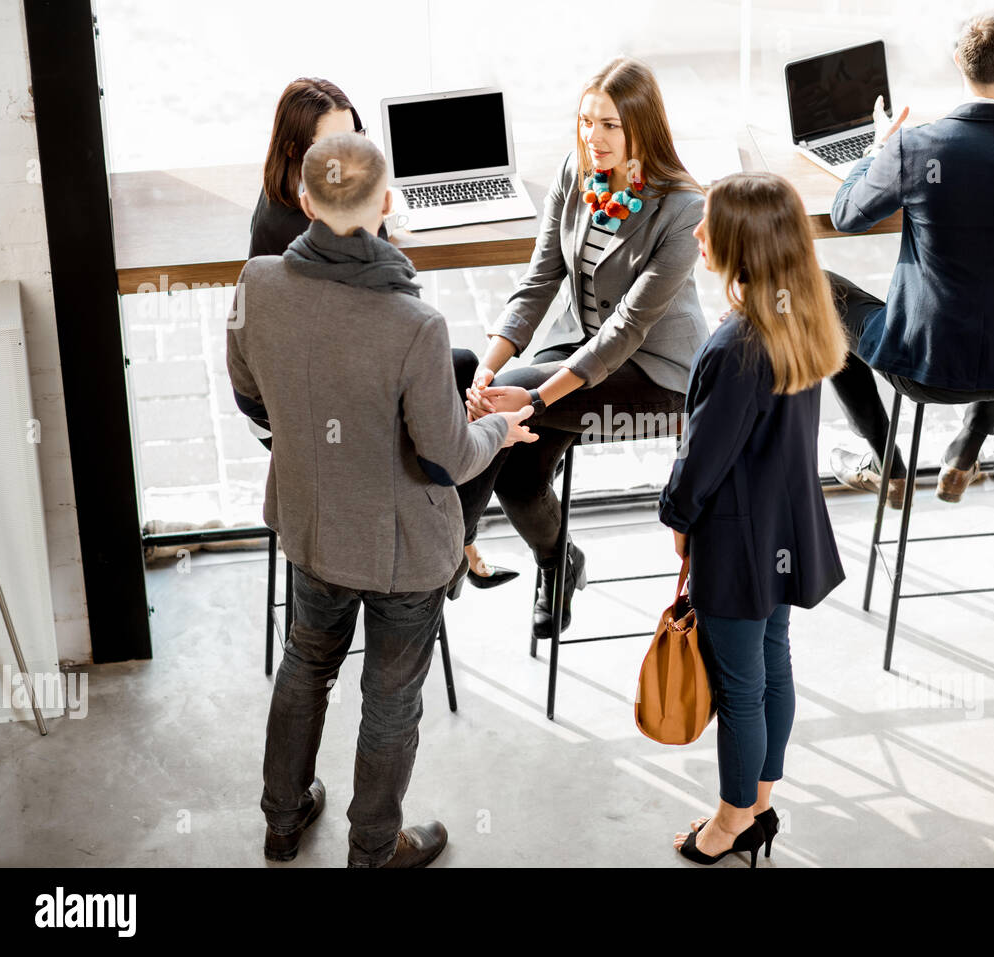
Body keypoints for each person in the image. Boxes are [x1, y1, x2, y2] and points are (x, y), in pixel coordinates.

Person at [227, 132, 536, 867]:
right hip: (400, 552)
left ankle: (282, 817)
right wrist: (501, 425)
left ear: (304, 201)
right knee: (391, 699)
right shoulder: (414, 324)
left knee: (306, 661)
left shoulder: (257, 283)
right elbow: (448, 457)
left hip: (309, 525)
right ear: (388, 204)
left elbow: (250, 395)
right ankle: (372, 848)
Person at [460, 57, 708, 637]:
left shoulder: (682, 207)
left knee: (511, 401)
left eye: (610, 126)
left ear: (641, 128)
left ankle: (449, 547)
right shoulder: (576, 172)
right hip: (578, 349)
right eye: (586, 121)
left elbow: (626, 329)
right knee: (517, 476)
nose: (593, 138)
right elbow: (540, 280)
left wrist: (532, 399)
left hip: (658, 375)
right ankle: (560, 563)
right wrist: (488, 373)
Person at [250, 76, 516, 588]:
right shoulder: (300, 231)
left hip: (304, 383)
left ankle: (460, 541)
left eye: (357, 138)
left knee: (458, 369)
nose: (348, 157)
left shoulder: (299, 199)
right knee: (466, 379)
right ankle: (453, 545)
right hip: (317, 403)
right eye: (332, 147)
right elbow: (379, 325)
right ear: (297, 153)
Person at [659, 172, 848, 868]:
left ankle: (732, 818)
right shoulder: (798, 312)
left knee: (739, 687)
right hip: (784, 530)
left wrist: (675, 516)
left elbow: (703, 459)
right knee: (772, 665)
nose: (699, 233)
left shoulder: (737, 345)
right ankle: (760, 801)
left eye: (709, 224)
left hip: (737, 542)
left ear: (740, 242)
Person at [826, 10, 994, 505]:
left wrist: (878, 150)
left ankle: (886, 462)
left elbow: (845, 216)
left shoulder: (915, 149)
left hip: (922, 370)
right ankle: (966, 449)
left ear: (960, 68)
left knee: (814, 289)